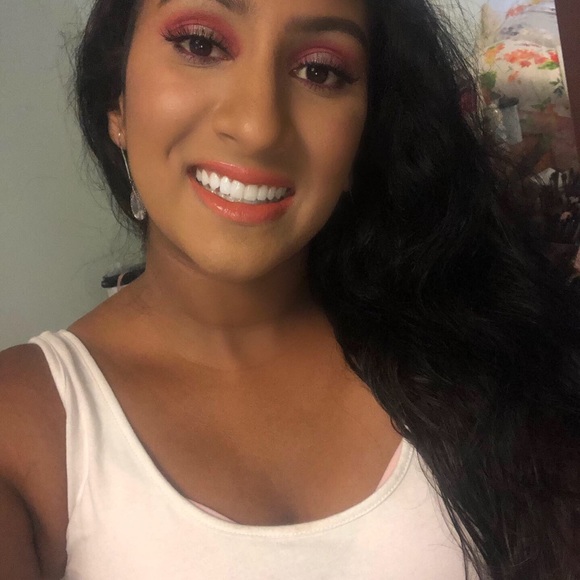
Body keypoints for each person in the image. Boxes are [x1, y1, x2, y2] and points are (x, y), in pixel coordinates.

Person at [0, 0, 578, 578]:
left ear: (364, 135)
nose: (258, 128)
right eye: (201, 44)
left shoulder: (485, 355)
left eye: (320, 71)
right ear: (117, 103)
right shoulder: (24, 427)